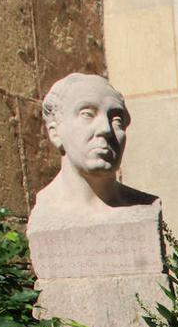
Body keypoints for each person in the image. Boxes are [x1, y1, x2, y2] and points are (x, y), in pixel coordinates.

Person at [30, 73, 156, 225]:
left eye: (116, 120)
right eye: (87, 114)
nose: (106, 129)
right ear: (55, 133)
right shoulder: (47, 210)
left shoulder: (145, 208)